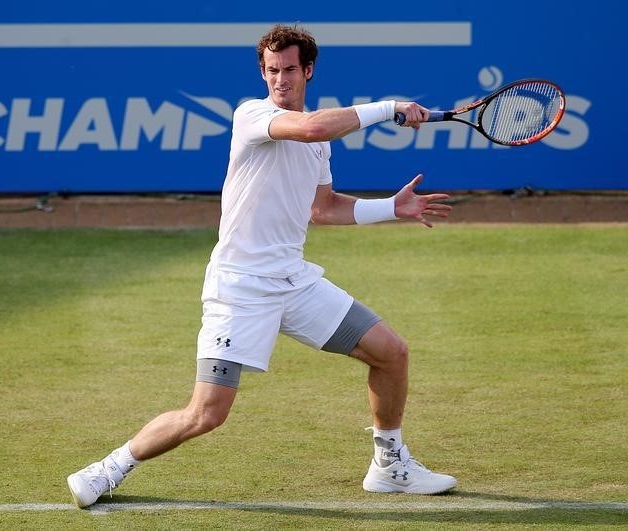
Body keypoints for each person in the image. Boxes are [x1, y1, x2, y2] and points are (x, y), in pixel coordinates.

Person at [67, 23, 456, 507]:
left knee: (391, 352)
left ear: (307, 70)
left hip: (292, 281)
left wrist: (389, 208)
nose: (280, 80)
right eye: (272, 71)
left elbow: (324, 207)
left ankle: (390, 465)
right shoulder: (253, 114)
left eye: (289, 70)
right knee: (206, 414)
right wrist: (390, 107)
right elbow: (312, 125)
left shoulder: (319, 141)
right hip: (240, 286)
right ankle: (109, 468)